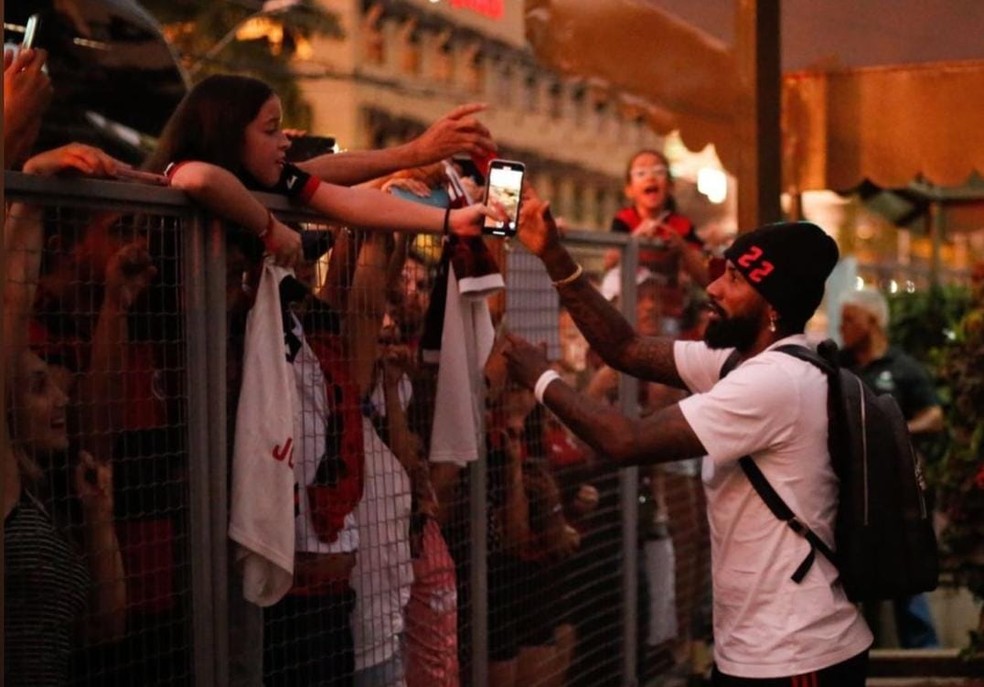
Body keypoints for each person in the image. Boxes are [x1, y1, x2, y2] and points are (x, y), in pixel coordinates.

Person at [503, 186, 873, 686]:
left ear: (772, 306)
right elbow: (627, 347)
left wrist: (541, 378)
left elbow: (626, 441)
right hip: (763, 647)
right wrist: (554, 256)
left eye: (736, 279)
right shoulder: (744, 360)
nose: (714, 289)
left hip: (795, 655)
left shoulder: (773, 382)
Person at [4, 143, 129, 686]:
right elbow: (9, 303)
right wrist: (29, 190)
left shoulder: (43, 494)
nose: (61, 399)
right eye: (37, 387)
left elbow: (106, 627)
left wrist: (99, 521)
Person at [838, 287, 942, 649]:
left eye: (850, 319)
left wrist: (896, 430)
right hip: (852, 492)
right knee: (854, 573)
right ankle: (858, 650)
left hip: (899, 494)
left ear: (873, 321)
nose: (843, 327)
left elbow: (934, 415)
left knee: (907, 572)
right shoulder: (840, 368)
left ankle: (924, 651)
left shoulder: (905, 368)